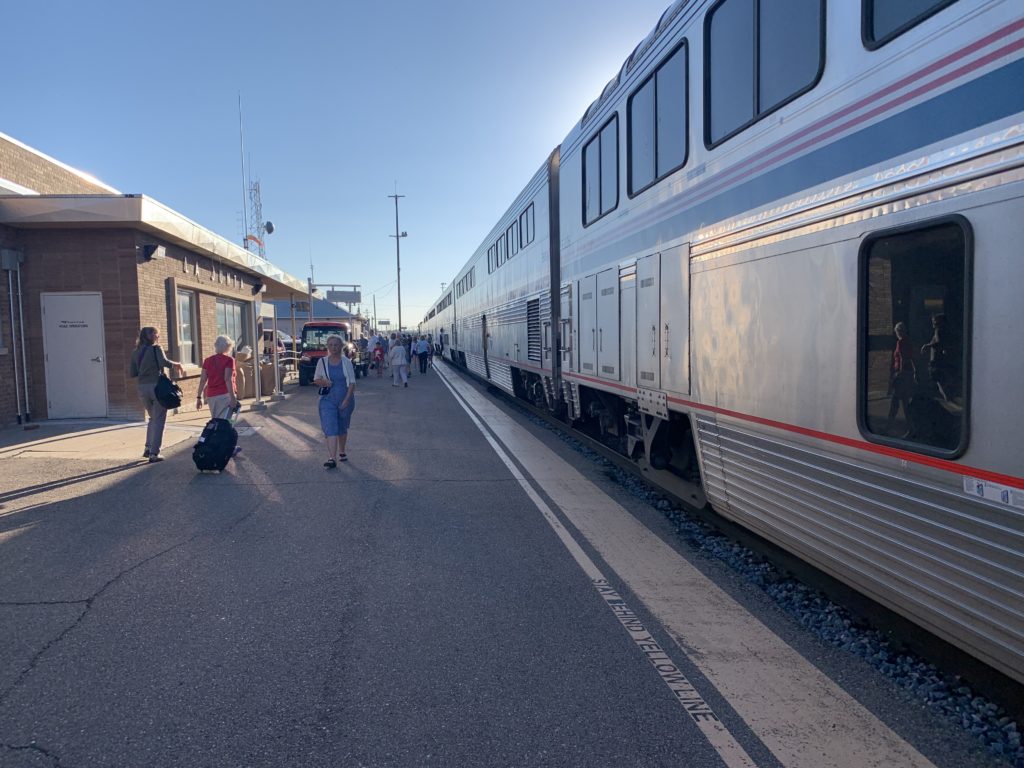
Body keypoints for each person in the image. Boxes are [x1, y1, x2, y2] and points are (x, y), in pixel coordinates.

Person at [129, 327, 184, 463]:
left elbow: (132, 372)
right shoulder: (156, 348)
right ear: (152, 336)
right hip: (156, 387)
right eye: (156, 333)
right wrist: (177, 364)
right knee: (159, 419)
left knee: (153, 418)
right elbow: (164, 363)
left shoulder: (136, 352)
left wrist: (145, 368)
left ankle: (148, 448)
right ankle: (154, 453)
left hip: (142, 388)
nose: (157, 335)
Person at [313, 335, 356, 468]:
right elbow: (316, 380)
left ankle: (342, 451)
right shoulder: (322, 362)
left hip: (344, 398)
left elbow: (352, 383)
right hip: (327, 400)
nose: (333, 347)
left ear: (341, 346)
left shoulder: (346, 362)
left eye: (336, 345)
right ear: (328, 346)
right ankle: (332, 458)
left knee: (342, 427)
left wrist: (346, 400)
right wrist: (324, 382)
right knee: (330, 427)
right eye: (330, 345)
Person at [196, 335, 239, 420]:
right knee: (227, 421)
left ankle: (217, 433)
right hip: (225, 395)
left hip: (211, 396)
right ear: (227, 347)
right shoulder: (229, 360)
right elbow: (227, 379)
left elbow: (203, 380)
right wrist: (233, 397)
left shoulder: (207, 361)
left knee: (216, 420)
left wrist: (199, 397)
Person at [886, 321, 916, 436]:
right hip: (907, 374)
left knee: (896, 402)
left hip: (902, 375)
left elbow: (903, 358)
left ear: (898, 331)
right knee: (904, 402)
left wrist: (900, 374)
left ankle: (889, 426)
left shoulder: (901, 342)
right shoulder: (908, 341)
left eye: (896, 331)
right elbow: (912, 357)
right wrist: (914, 372)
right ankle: (911, 428)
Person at [920, 313, 950, 402]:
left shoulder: (939, 331)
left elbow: (938, 343)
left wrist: (926, 346)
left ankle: (947, 397)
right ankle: (946, 396)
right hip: (937, 358)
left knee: (937, 378)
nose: (933, 325)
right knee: (937, 379)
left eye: (934, 323)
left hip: (936, 359)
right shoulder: (941, 331)